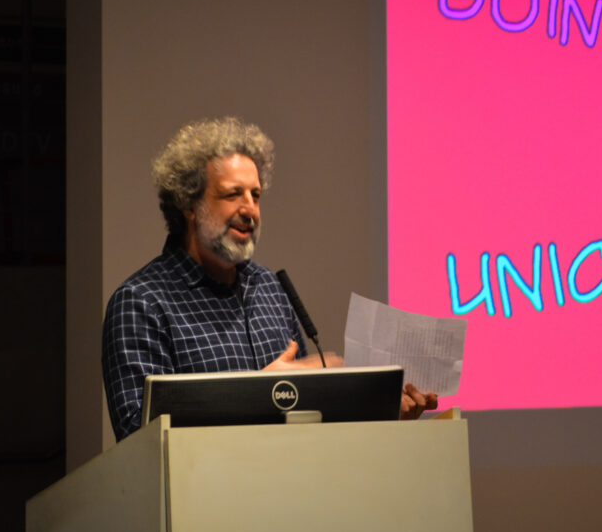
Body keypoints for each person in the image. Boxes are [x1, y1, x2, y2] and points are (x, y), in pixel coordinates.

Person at [102, 117, 436, 440]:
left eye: (256, 195)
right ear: (189, 204)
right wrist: (261, 392)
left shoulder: (270, 289)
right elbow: (138, 440)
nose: (250, 210)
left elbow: (308, 426)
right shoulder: (141, 302)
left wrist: (381, 415)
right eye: (233, 194)